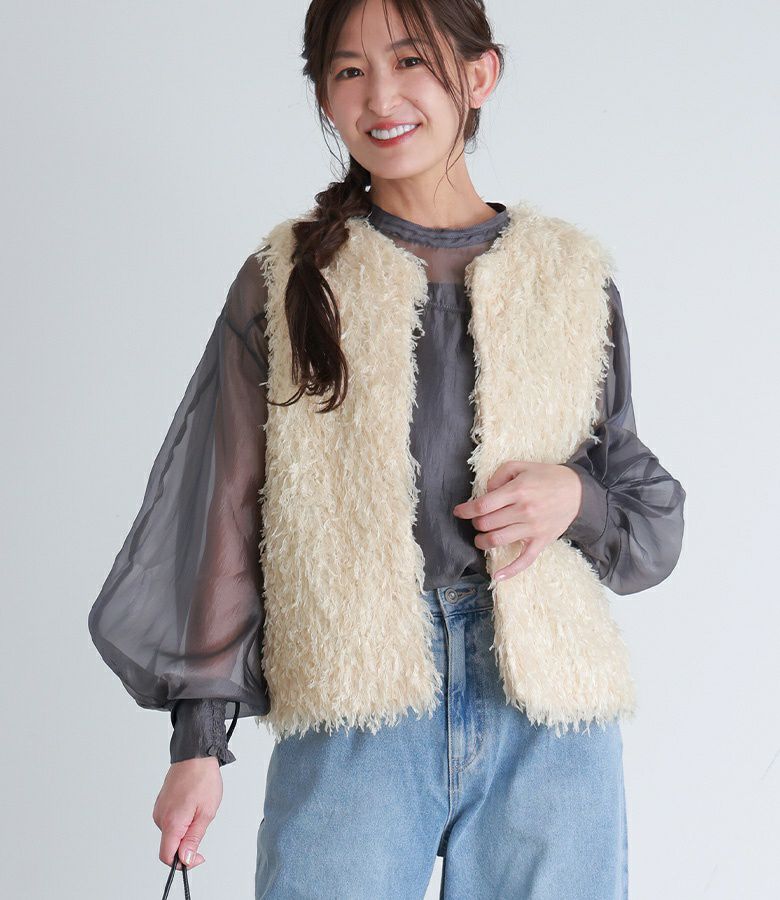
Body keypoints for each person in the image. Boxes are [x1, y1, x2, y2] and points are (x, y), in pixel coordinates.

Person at [87, 0, 686, 896]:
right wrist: (198, 746)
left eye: (411, 61)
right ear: (325, 97)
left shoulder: (569, 273)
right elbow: (223, 512)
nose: (380, 96)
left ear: (478, 75)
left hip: (548, 712)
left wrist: (574, 498)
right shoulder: (289, 278)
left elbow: (644, 511)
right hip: (354, 695)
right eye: (349, 70)